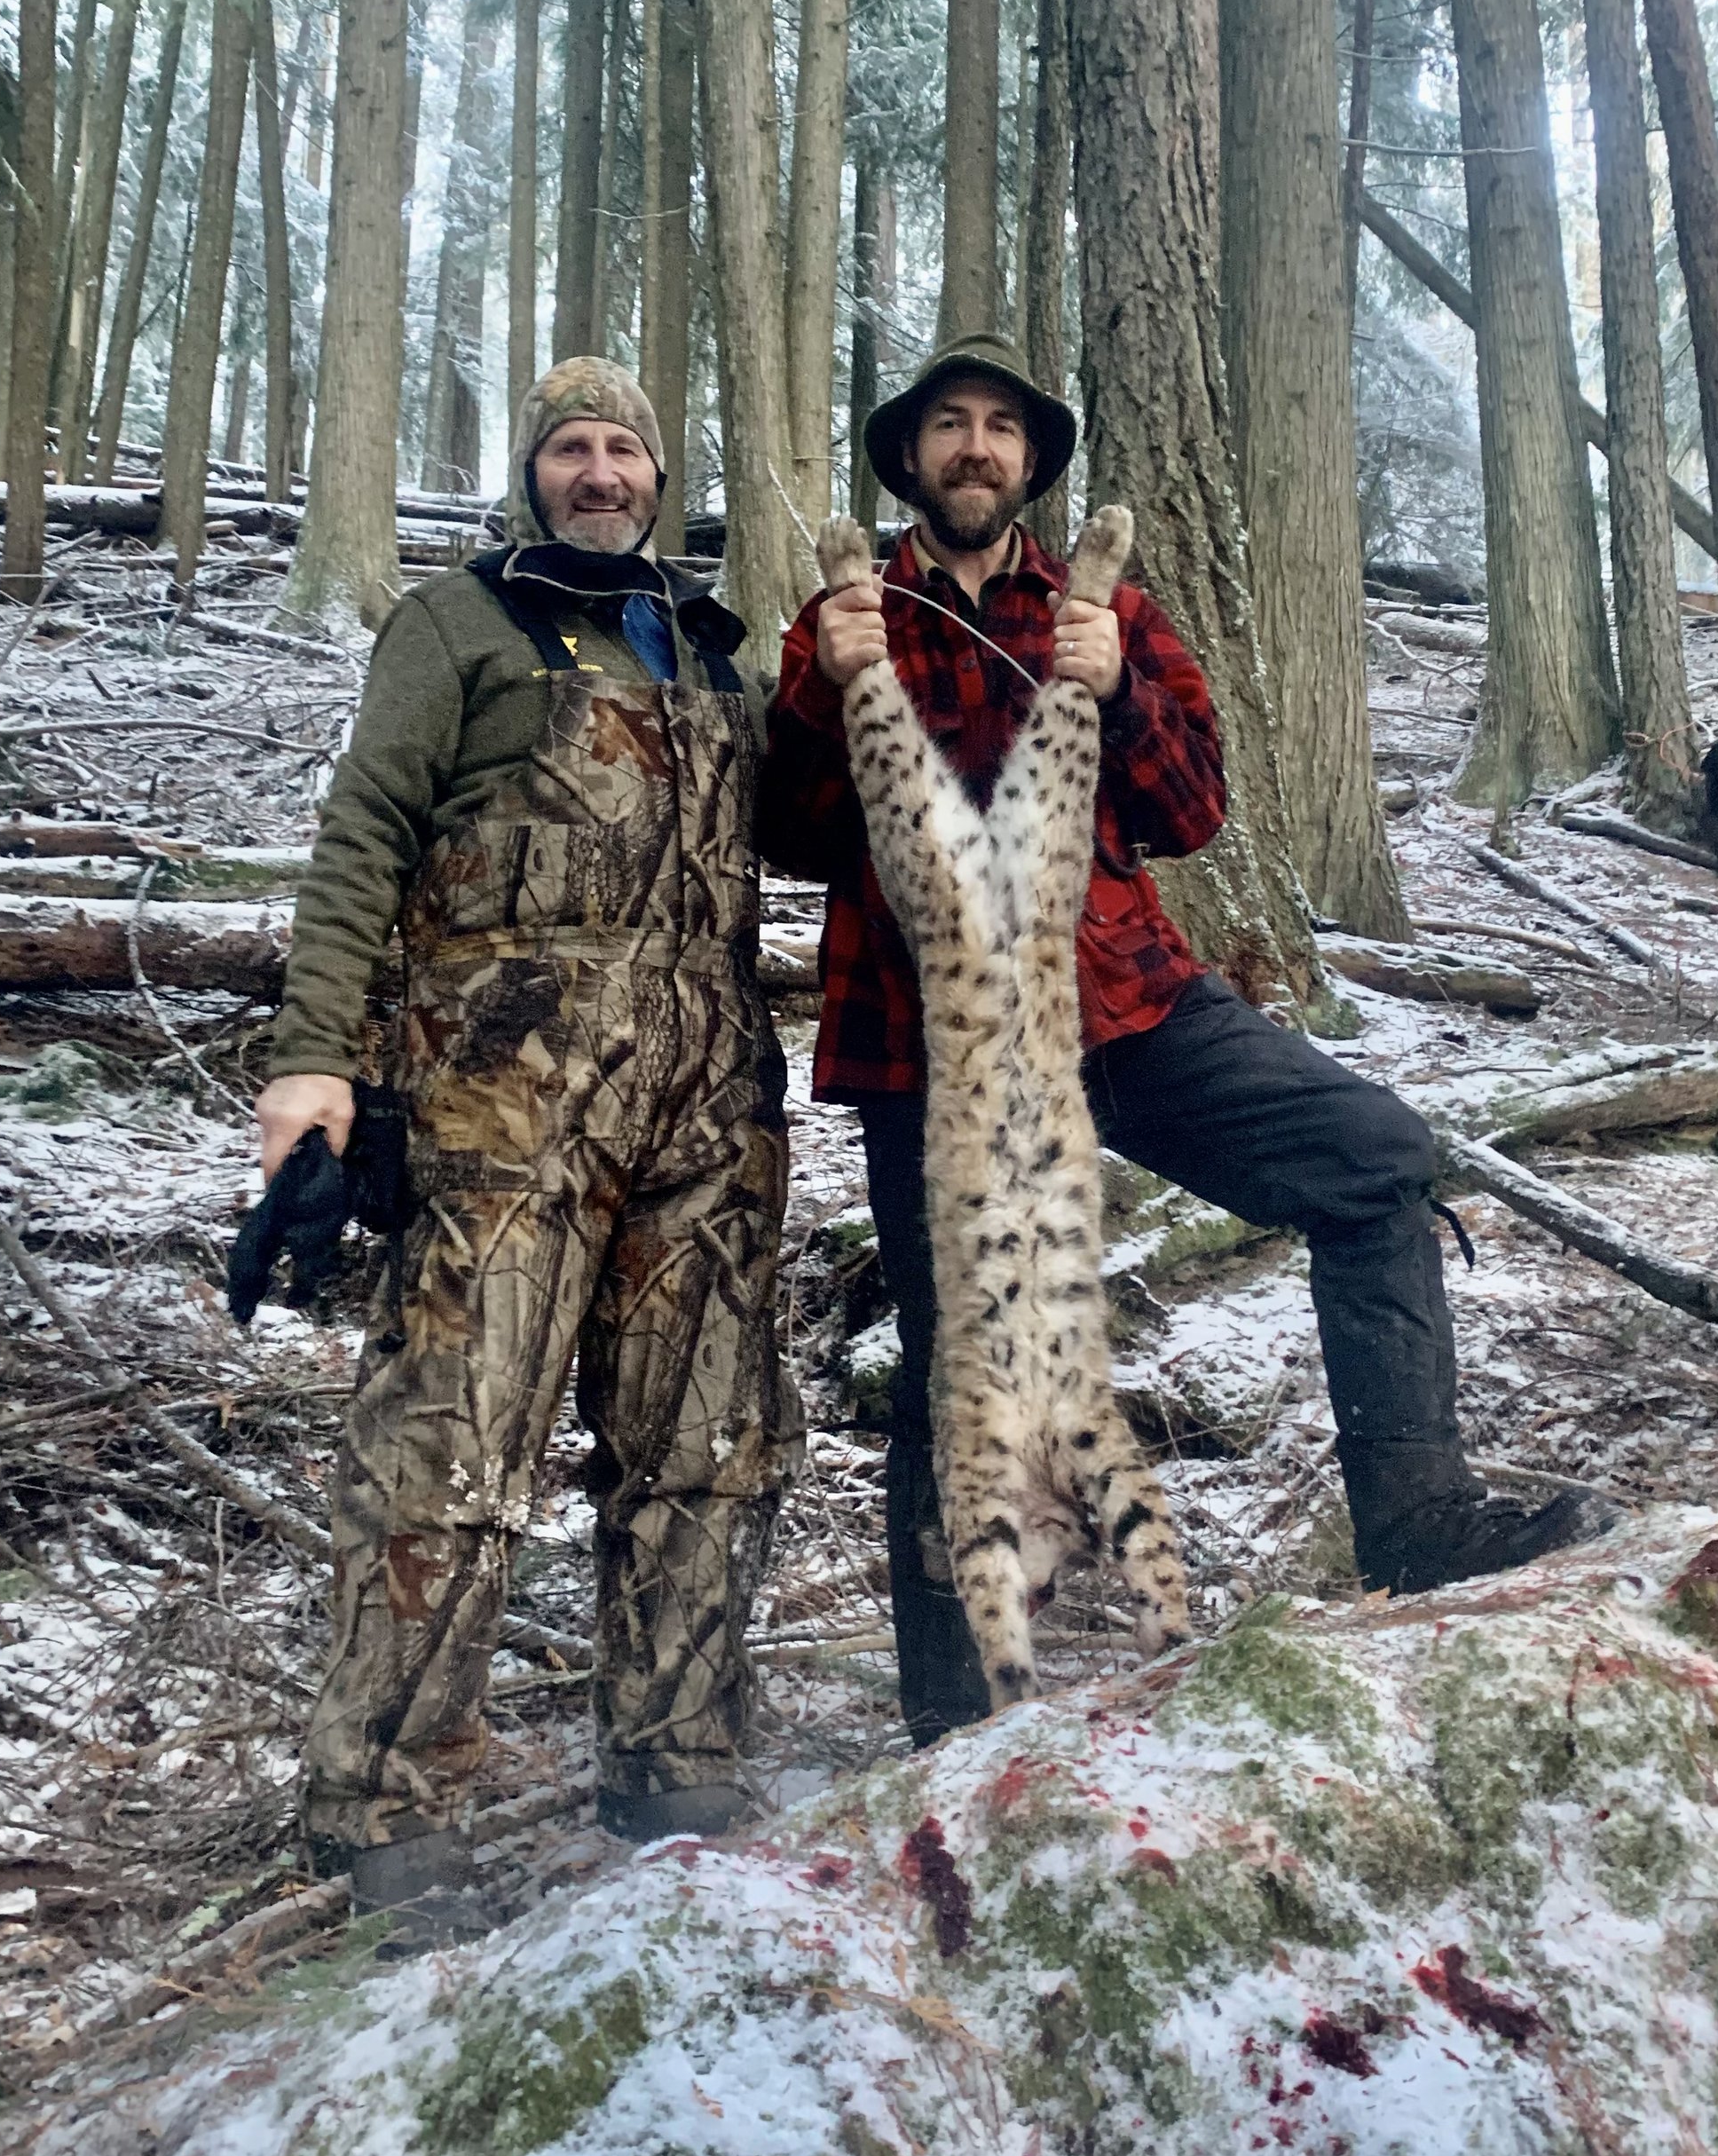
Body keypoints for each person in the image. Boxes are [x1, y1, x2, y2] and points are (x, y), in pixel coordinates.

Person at [758, 335, 1610, 1747]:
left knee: (1375, 1160)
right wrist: (817, 692)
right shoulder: (843, 616)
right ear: (909, 456)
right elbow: (782, 834)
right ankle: (957, 1719)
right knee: (953, 1358)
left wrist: (1120, 691)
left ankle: (1419, 1521)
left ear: (1031, 462)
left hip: (1125, 1007)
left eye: (1002, 428)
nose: (976, 447)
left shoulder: (1108, 610)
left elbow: (1196, 806)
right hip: (932, 1043)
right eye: (950, 424)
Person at [258, 356, 792, 1935]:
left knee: (707, 1440)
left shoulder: (713, 650)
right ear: (532, 471)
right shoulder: (456, 626)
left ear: (660, 477)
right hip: (506, 1103)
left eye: (625, 446)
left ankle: (680, 1767)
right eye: (572, 447)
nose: (600, 471)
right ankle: (388, 1813)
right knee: (452, 1438)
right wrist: (314, 1062)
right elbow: (364, 834)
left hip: (707, 1105)